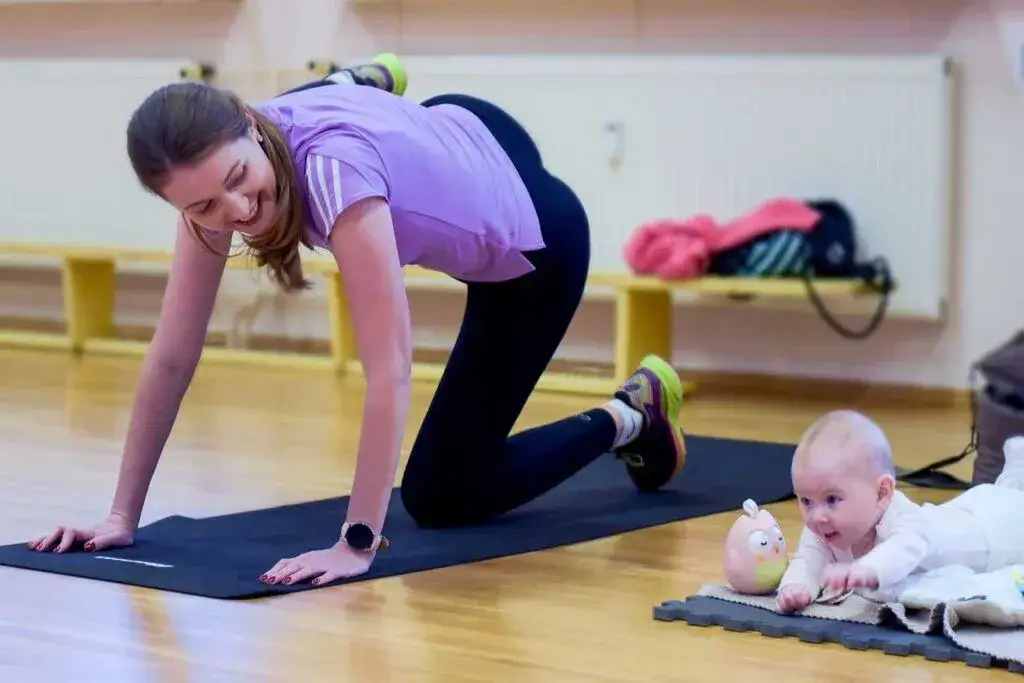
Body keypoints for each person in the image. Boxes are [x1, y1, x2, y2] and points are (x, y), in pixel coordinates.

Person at [27, 54, 688, 588]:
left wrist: (358, 538)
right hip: (458, 123)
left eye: (236, 177)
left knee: (440, 494)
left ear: (252, 125)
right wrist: (121, 515)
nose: (234, 208)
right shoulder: (218, 191)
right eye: (203, 204)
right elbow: (172, 354)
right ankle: (355, 84)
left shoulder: (340, 179)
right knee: (261, 177)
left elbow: (389, 368)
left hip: (535, 243)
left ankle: (633, 413)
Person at [776, 409, 1024, 613]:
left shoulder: (905, 519)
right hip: (967, 510)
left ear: (881, 493)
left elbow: (904, 550)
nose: (817, 516)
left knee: (1013, 498)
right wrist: (796, 587)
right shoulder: (822, 528)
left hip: (994, 529)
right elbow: (807, 561)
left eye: (832, 499)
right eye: (806, 501)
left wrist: (868, 569)